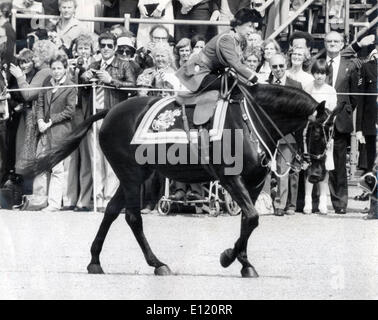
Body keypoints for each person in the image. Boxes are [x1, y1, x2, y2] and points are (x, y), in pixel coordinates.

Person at [81, 32, 136, 212]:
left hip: (113, 118)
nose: (105, 48)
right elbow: (83, 87)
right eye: (102, 45)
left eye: (109, 46)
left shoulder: (123, 65)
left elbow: (133, 85)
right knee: (95, 158)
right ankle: (97, 197)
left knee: (111, 160)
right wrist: (84, 77)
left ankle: (110, 198)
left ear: (114, 48)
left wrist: (111, 80)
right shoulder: (94, 64)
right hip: (95, 115)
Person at [176, 7, 262, 93]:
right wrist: (255, 79)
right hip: (197, 75)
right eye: (249, 26)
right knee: (235, 83)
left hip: (211, 74)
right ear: (238, 24)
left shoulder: (240, 41)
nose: (252, 31)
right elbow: (237, 65)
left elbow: (241, 65)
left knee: (240, 83)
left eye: (254, 28)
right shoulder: (226, 39)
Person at [9, 40, 56, 190]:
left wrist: (19, 76)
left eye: (35, 55)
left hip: (38, 119)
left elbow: (28, 94)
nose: (33, 58)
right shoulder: (47, 71)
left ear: (43, 56)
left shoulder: (44, 72)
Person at [33, 52, 77, 212]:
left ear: (65, 68)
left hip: (60, 132)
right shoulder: (47, 84)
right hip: (44, 131)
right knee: (41, 165)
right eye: (54, 68)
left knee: (57, 169)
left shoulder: (71, 87)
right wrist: (39, 121)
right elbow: (40, 106)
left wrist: (51, 121)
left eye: (59, 68)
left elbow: (70, 111)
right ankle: (39, 201)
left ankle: (54, 204)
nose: (56, 71)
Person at [267, 53, 302, 216]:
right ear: (270, 67)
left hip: (287, 135)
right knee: (265, 168)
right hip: (268, 135)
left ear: (286, 65)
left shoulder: (295, 85)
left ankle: (280, 205)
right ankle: (266, 203)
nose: (278, 69)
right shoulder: (266, 85)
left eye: (281, 66)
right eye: (274, 66)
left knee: (283, 170)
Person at [303, 59, 337, 215]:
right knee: (310, 164)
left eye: (322, 73)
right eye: (316, 73)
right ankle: (308, 201)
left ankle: (323, 201)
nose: (319, 76)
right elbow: (304, 110)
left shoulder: (330, 90)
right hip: (310, 132)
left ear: (326, 74)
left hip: (325, 133)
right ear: (313, 74)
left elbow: (331, 113)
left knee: (324, 166)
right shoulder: (307, 88)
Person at [354, 45, 377, 202]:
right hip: (370, 124)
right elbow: (360, 100)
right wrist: (359, 128)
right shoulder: (367, 67)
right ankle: (372, 203)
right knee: (371, 165)